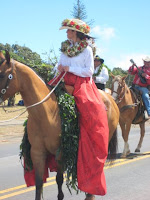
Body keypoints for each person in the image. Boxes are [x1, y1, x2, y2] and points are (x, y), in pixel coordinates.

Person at [48, 18, 109, 197]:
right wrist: (58, 68)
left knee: (90, 110)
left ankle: (91, 141)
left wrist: (69, 68)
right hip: (62, 79)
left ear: (76, 33)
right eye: (66, 31)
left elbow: (89, 71)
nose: (66, 33)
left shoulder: (87, 49)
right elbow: (59, 65)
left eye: (68, 31)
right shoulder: (65, 48)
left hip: (81, 82)